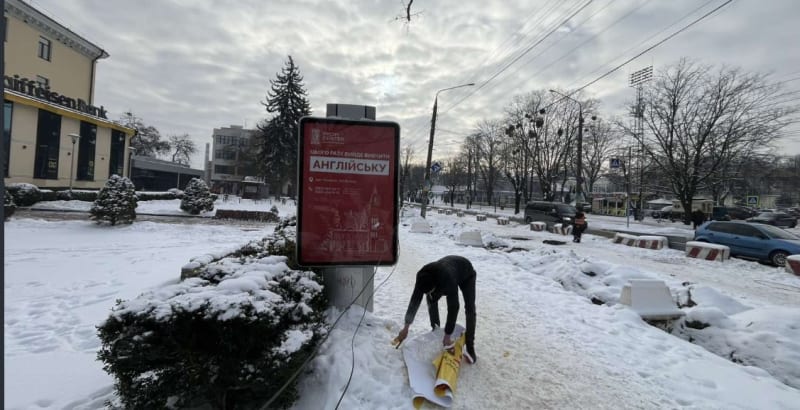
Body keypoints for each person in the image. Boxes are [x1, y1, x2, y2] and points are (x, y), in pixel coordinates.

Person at [395, 255, 477, 364]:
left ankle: (470, 346)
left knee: (470, 308)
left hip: (466, 274)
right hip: (446, 270)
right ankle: (436, 330)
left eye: (431, 291)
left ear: (436, 286)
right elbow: (415, 300)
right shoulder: (421, 276)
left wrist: (448, 335)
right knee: (431, 299)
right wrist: (406, 327)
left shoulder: (448, 280)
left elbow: (454, 307)